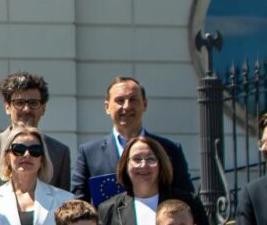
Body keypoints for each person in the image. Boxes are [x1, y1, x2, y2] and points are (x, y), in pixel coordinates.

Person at [98, 133, 217, 225]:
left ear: (160, 164)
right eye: (136, 159)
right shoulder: (109, 209)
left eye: (150, 159)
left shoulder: (187, 203)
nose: (144, 165)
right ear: (125, 165)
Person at [73, 76, 191, 206]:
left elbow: (186, 200)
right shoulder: (89, 153)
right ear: (107, 107)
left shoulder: (169, 150)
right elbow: (79, 205)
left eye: (133, 100)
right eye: (120, 100)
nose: (127, 106)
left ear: (144, 105)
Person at [0, 71, 70, 187]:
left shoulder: (59, 152)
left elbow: (64, 197)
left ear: (43, 109)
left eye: (33, 103)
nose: (26, 109)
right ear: (7, 107)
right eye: (19, 103)